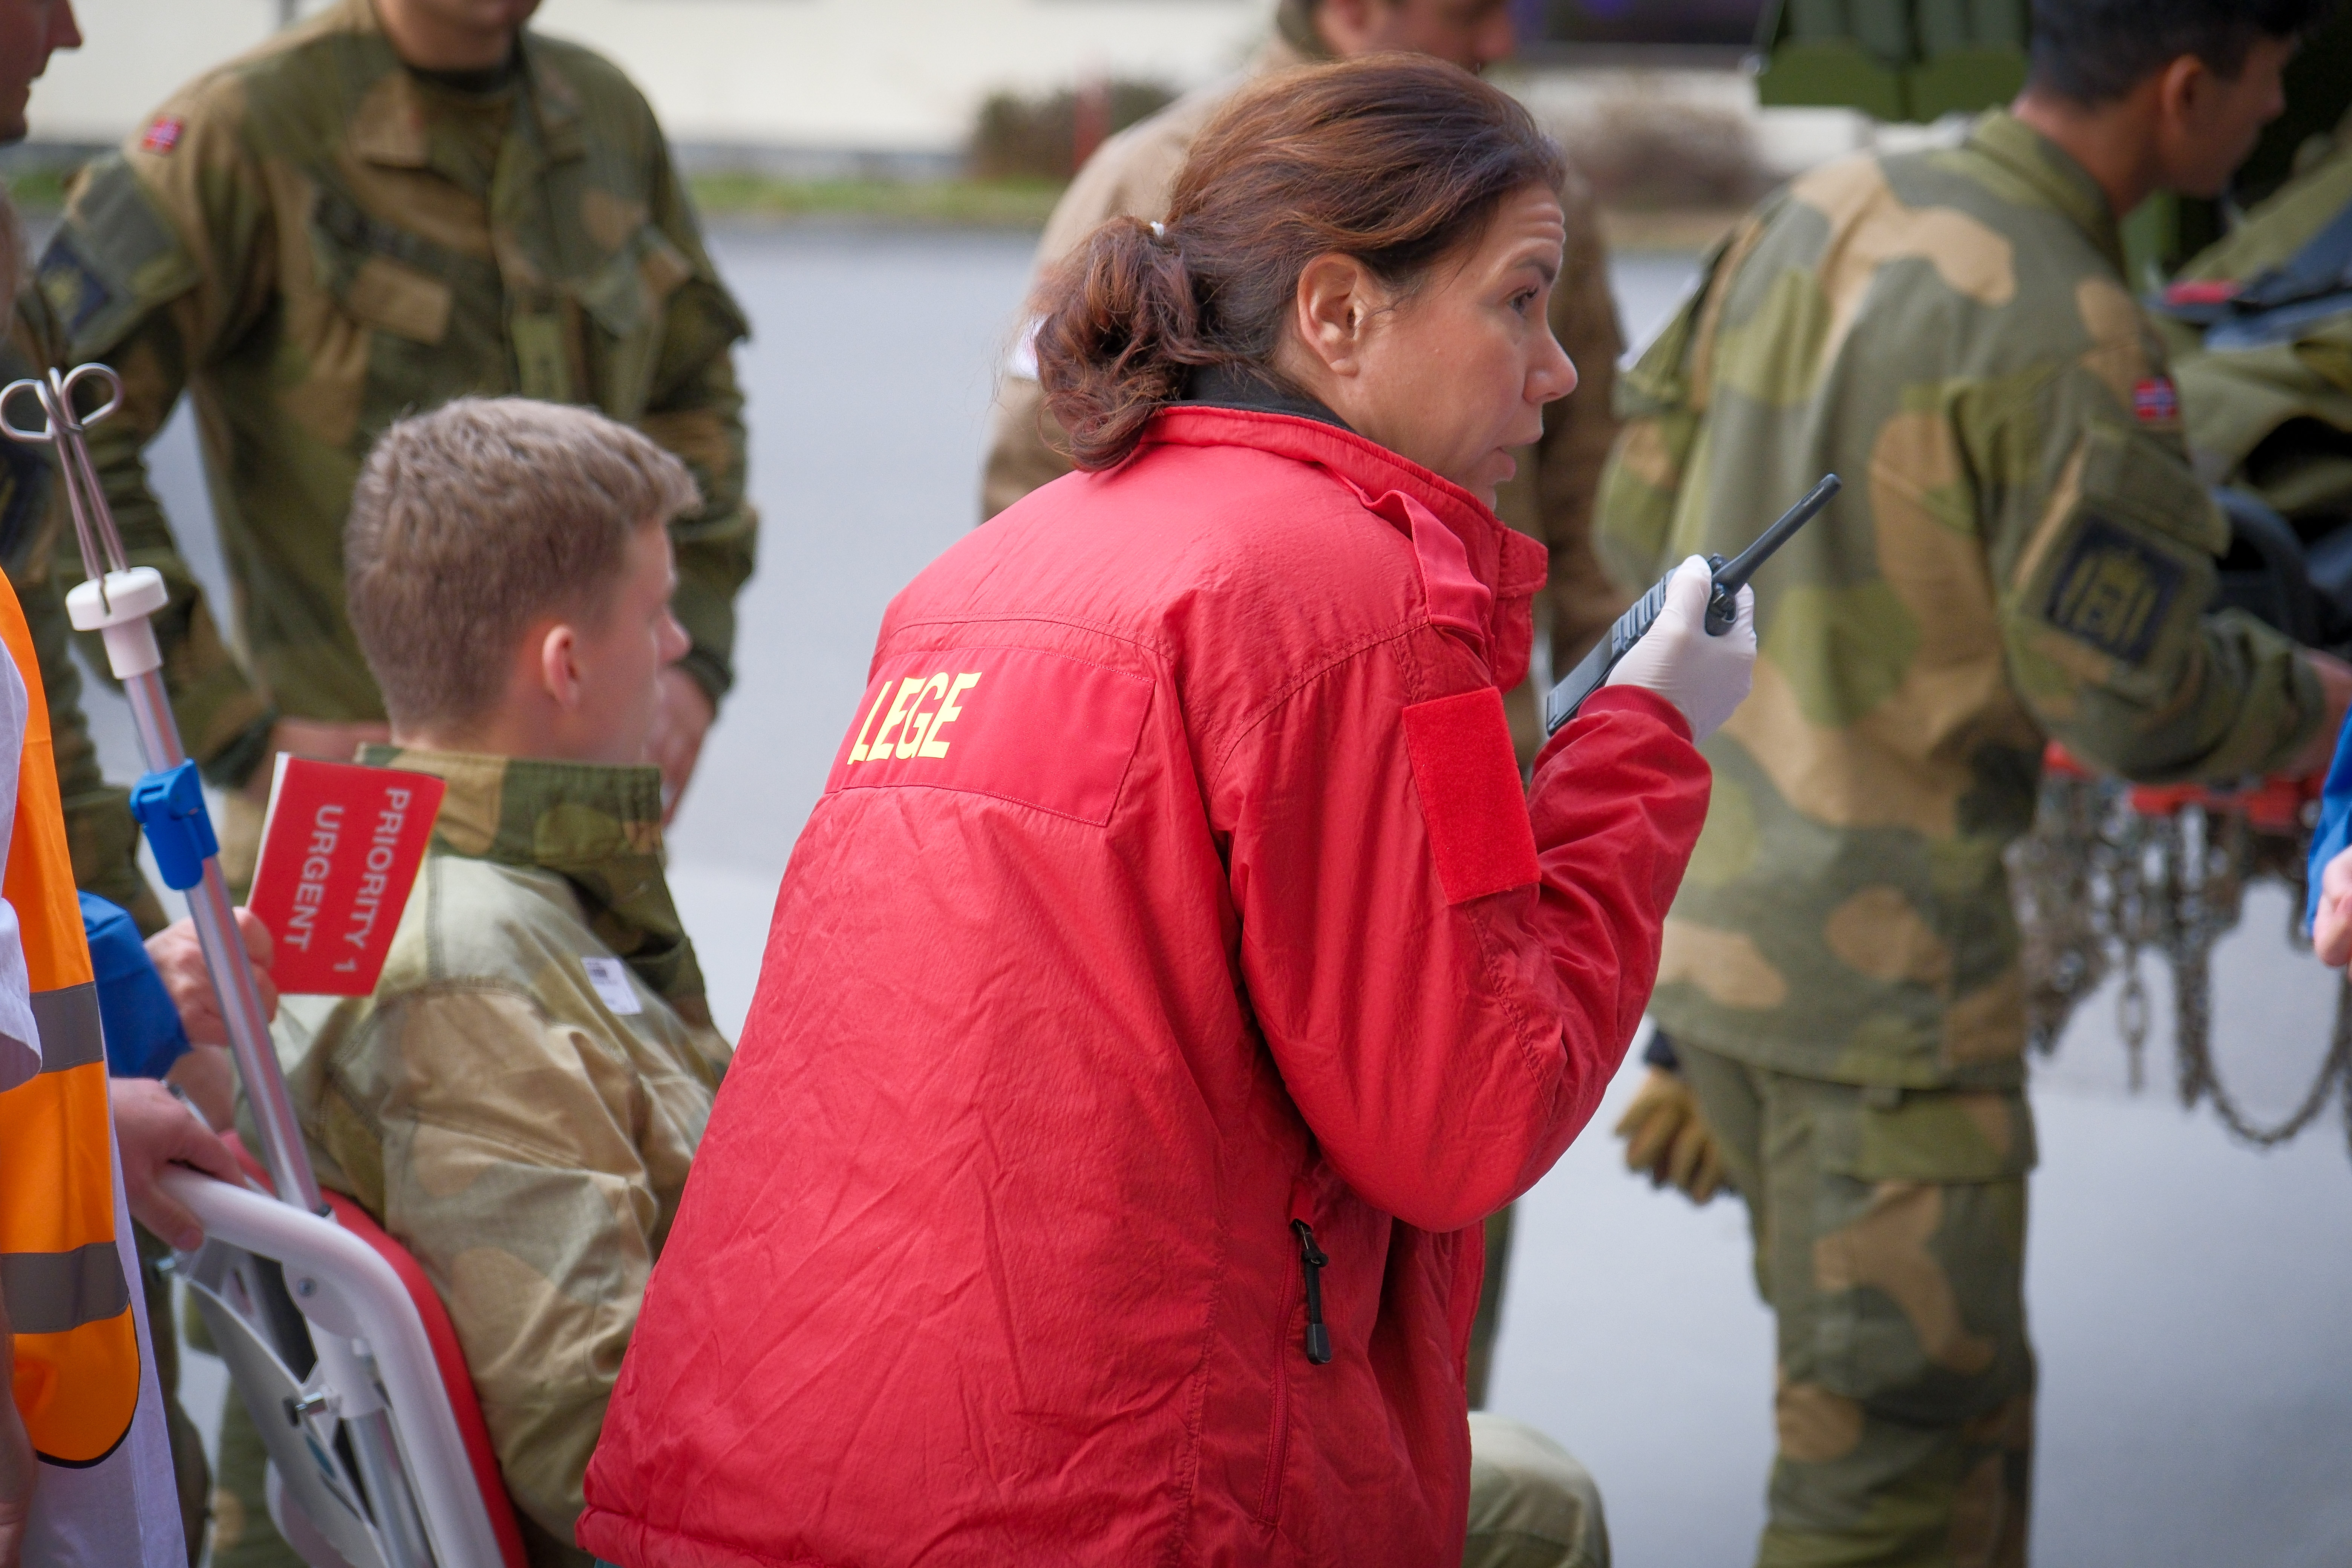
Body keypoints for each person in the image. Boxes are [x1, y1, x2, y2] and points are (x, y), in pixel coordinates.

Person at [581, 57, 1747, 1568]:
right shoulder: (1363, 599)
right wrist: (1646, 743)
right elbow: (1466, 1116)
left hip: (755, 1467)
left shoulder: (975, 581)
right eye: (1520, 301)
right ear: (1336, 314)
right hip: (1104, 1503)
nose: (1558, 366)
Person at [1590, 2, 2352, 1563]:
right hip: (1891, 1015)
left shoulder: (1815, 208)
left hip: (1715, 956)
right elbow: (2129, 699)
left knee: (1941, 1428)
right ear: (2186, 86)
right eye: (2272, 80)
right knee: (1891, 1486)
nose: (2276, 123)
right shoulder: (2071, 320)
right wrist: (2319, 699)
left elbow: (1631, 516)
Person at [981, 0, 1625, 1405]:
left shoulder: (1513, 176)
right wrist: (1641, 757)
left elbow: (1583, 492)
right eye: (1478, 8)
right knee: (1277, 1277)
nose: (1504, 37)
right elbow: (1048, 477)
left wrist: (1604, 692)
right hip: (1229, 799)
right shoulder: (1160, 175)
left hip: (1445, 782)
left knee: (1415, 1331)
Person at [34, 0, 756, 885]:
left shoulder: (602, 114)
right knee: (352, 1030)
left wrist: (693, 664)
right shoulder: (245, 130)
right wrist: (233, 730)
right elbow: (55, 433)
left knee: (628, 1029)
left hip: (585, 807)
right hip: (357, 815)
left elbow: (695, 398)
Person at [225, 397, 729, 1567]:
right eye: (654, 615)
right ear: (564, 663)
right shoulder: (466, 971)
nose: (672, 650)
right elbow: (593, 1437)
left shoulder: (367, 863)